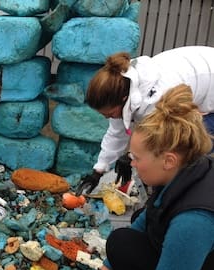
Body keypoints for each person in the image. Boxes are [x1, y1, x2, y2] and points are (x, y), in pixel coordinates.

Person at [42, 84, 214, 270]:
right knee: (123, 242)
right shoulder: (188, 169)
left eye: (136, 158)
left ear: (168, 160)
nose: (131, 164)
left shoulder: (193, 221)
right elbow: (146, 221)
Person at [77, 46, 214, 195]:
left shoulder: (156, 98)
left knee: (186, 153)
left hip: (208, 79)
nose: (107, 118)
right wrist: (98, 170)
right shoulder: (124, 89)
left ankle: (181, 201)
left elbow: (161, 142)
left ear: (123, 100)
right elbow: (116, 134)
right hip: (198, 75)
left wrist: (130, 156)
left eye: (110, 114)